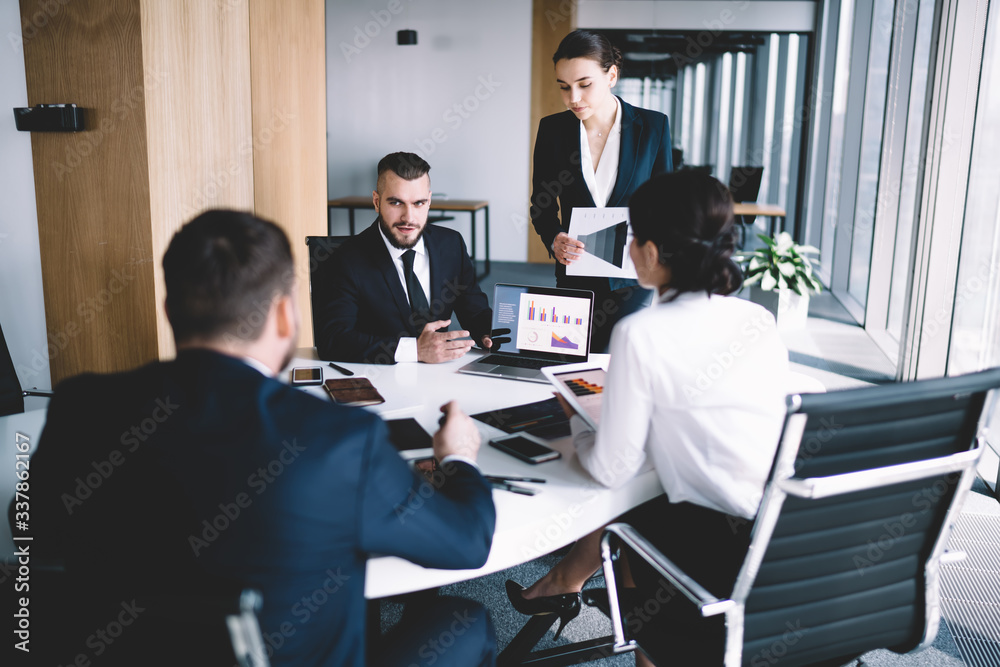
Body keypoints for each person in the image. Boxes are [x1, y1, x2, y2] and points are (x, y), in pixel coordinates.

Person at [25, 210, 498, 667]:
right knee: (467, 620)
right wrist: (459, 458)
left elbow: (35, 533)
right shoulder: (340, 441)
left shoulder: (79, 407)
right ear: (284, 317)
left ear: (169, 310)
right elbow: (467, 541)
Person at [507, 172, 790, 666]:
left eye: (632, 235)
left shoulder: (642, 333)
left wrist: (578, 414)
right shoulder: (757, 320)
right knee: (648, 483)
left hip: (714, 556)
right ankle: (580, 596)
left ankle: (632, 625)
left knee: (626, 499)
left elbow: (610, 468)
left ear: (654, 253)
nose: (627, 245)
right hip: (777, 537)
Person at [530, 29, 674, 353]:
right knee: (572, 361)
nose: (573, 99)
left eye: (584, 84)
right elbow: (541, 205)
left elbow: (665, 205)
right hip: (574, 272)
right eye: (564, 87)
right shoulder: (552, 130)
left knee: (618, 362)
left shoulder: (652, 127)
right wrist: (554, 238)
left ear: (611, 75)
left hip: (632, 275)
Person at [317, 152, 497, 364]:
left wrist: (486, 334)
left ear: (429, 201)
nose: (408, 218)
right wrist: (416, 351)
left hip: (439, 378)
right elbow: (333, 340)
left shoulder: (451, 244)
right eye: (396, 203)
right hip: (378, 380)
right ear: (376, 202)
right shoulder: (345, 258)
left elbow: (474, 310)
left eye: (418, 203)